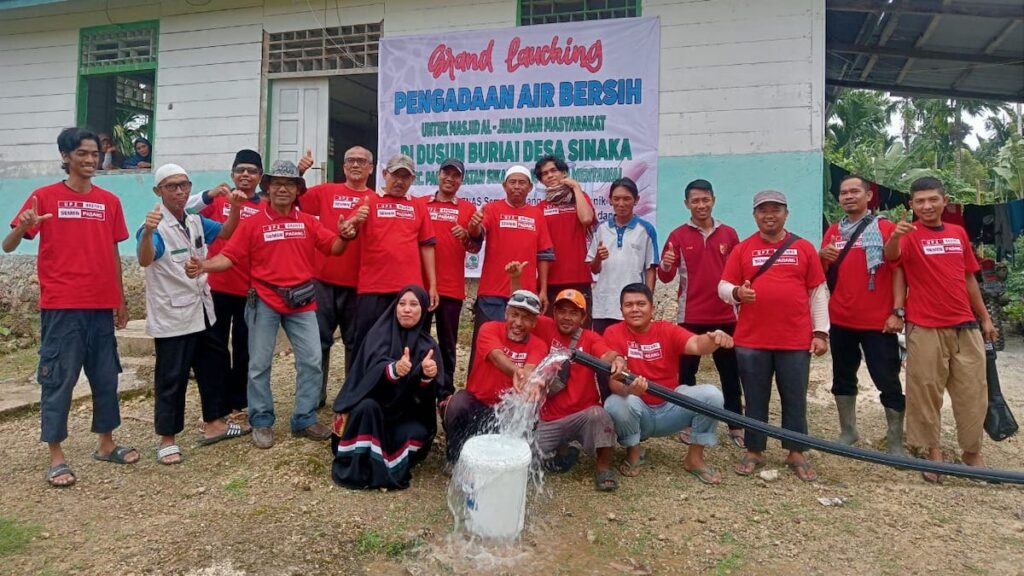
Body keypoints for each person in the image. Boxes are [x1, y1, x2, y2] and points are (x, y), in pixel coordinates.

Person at [186, 160, 355, 449]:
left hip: (302, 301)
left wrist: (346, 235)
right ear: (267, 188)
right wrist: (205, 265)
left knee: (312, 361)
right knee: (259, 364)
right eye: (276, 183)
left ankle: (304, 417)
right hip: (264, 299)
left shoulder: (308, 222)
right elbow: (230, 256)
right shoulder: (253, 223)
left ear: (298, 190)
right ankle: (262, 420)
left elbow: (334, 249)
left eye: (289, 184)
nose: (282, 189)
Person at [3, 127, 138, 487]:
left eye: (95, 154)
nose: (91, 160)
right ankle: (56, 455)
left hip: (100, 306)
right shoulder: (44, 197)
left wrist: (120, 300)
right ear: (65, 157)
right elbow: (9, 245)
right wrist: (23, 228)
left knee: (106, 378)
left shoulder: (110, 202)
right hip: (62, 306)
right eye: (82, 153)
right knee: (58, 380)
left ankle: (106, 444)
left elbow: (112, 253)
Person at [883, 176, 997, 483]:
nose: (927, 206)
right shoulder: (907, 235)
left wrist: (985, 318)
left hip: (965, 325)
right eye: (920, 201)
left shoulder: (958, 233)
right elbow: (891, 258)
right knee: (924, 392)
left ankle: (972, 453)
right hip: (924, 326)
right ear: (912, 205)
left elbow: (970, 278)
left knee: (973, 392)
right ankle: (933, 452)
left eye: (933, 199)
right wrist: (896, 235)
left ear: (945, 201)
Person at [137, 164, 250, 464]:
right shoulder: (156, 227)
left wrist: (235, 209)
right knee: (172, 377)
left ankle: (214, 423)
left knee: (213, 367)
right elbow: (145, 258)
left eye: (183, 185)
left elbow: (226, 231)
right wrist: (147, 232)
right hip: (173, 317)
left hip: (202, 310)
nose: (179, 191)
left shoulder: (196, 221)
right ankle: (167, 438)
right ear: (158, 191)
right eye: (171, 186)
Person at [718, 190, 829, 482]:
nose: (769, 215)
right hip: (752, 340)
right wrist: (737, 293)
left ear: (786, 213)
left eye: (775, 209)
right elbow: (723, 286)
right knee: (755, 398)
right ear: (755, 215)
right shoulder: (742, 249)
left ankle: (796, 451)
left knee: (795, 397)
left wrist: (820, 332)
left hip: (795, 339)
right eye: (763, 210)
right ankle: (754, 449)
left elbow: (817, 291)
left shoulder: (803, 248)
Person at [602, 284, 729, 485]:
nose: (635, 309)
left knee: (712, 395)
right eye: (629, 305)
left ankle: (694, 459)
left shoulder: (667, 330)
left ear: (652, 308)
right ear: (621, 310)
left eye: (641, 304)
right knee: (615, 403)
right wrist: (629, 390)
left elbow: (696, 344)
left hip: (671, 406)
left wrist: (713, 339)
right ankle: (634, 452)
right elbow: (613, 382)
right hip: (638, 410)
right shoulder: (612, 333)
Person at [820, 174, 906, 454]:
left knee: (887, 379)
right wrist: (823, 258)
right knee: (843, 376)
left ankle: (894, 439)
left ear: (869, 196)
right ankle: (848, 431)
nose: (848, 196)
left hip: (878, 322)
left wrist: (897, 312)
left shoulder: (885, 228)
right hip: (841, 319)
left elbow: (898, 271)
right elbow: (822, 275)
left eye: (854, 191)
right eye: (843, 192)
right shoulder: (833, 231)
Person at [658, 179, 744, 448]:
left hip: (726, 316)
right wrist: (665, 263)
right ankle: (686, 421)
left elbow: (739, 273)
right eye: (695, 201)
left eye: (705, 199)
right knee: (686, 374)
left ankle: (735, 424)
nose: (701, 205)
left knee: (730, 374)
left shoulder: (729, 234)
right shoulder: (677, 236)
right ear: (686, 204)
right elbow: (665, 274)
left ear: (713, 200)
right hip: (690, 315)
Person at [330, 286, 442, 489]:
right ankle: (361, 463)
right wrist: (393, 370)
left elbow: (425, 399)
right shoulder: (377, 335)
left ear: (424, 310)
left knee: (414, 432)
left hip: (404, 415)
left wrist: (426, 376)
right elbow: (366, 377)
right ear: (395, 307)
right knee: (367, 409)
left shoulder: (429, 347)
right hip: (375, 408)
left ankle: (381, 459)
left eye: (414, 304)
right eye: (402, 304)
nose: (406, 309)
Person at [185, 149, 268, 423]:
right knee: (215, 348)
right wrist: (209, 194)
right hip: (216, 287)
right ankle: (217, 404)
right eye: (241, 169)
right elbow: (185, 210)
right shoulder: (217, 200)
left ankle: (239, 402)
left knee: (245, 348)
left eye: (252, 171)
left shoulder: (265, 206)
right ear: (232, 174)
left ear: (259, 177)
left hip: (250, 290)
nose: (246, 175)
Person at [299, 146, 374, 407]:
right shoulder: (325, 191)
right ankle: (313, 397)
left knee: (355, 343)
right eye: (350, 160)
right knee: (319, 342)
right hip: (322, 280)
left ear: (370, 168)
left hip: (358, 285)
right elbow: (291, 199)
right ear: (343, 167)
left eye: (361, 161)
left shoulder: (375, 200)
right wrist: (299, 172)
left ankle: (350, 396)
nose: (355, 165)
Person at [532, 288, 625, 491]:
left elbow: (606, 353)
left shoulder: (590, 338)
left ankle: (603, 468)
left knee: (600, 415)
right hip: (550, 416)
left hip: (584, 414)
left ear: (583, 317)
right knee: (529, 456)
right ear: (554, 313)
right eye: (562, 311)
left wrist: (617, 359)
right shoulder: (545, 327)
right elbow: (522, 313)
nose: (567, 317)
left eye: (574, 313)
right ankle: (564, 450)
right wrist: (516, 281)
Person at [442, 290, 549, 463]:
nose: (518, 323)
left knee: (529, 407)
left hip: (506, 410)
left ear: (535, 323)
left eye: (527, 318)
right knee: (457, 403)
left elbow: (530, 368)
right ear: (506, 314)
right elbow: (496, 357)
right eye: (514, 315)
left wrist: (530, 379)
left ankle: (511, 463)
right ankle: (455, 461)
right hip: (477, 405)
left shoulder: (539, 345)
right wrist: (517, 372)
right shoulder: (488, 329)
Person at [415, 158, 480, 414]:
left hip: (451, 288)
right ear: (438, 175)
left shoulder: (467, 209)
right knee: (417, 339)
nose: (450, 179)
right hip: (419, 287)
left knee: (448, 343)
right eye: (446, 173)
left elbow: (475, 247)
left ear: (461, 180)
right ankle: (418, 385)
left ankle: (445, 391)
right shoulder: (420, 204)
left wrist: (469, 236)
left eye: (456, 175)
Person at [467, 165, 554, 357]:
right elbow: (477, 234)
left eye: (522, 182)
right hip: (492, 293)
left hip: (525, 295)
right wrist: (473, 225)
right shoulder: (492, 209)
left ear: (530, 187)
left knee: (517, 349)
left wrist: (543, 290)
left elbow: (544, 255)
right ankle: (476, 387)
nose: (517, 186)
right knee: (486, 348)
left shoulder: (537, 215)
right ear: (504, 185)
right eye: (512, 182)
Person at [351, 154, 438, 346]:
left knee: (406, 345)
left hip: (408, 291)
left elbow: (427, 245)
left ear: (412, 179)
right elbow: (348, 231)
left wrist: (432, 285)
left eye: (405, 177)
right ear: (384, 174)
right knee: (368, 344)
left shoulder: (419, 206)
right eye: (395, 175)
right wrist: (355, 221)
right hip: (373, 288)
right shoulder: (368, 202)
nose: (399, 181)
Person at [586, 177, 658, 335]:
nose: (621, 204)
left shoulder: (646, 229)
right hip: (604, 304)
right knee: (603, 353)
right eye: (616, 199)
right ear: (610, 200)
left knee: (631, 351)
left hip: (633, 305)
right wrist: (598, 257)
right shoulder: (602, 229)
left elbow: (650, 268)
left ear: (636, 200)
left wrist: (647, 299)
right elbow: (594, 268)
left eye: (627, 199)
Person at [535, 155, 595, 315]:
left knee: (580, 334)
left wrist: (576, 188)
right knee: (549, 333)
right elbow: (541, 250)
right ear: (541, 181)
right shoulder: (540, 208)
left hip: (579, 277)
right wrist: (542, 287)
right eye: (544, 174)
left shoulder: (581, 198)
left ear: (564, 173)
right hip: (550, 281)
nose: (549, 175)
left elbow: (587, 219)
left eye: (553, 170)